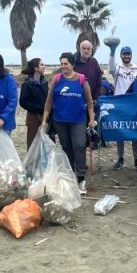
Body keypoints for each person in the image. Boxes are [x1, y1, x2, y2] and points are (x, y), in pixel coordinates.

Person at [42, 51, 96, 194]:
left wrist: (91, 119)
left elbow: (90, 102)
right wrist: (44, 120)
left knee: (79, 145)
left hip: (78, 120)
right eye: (61, 64)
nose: (63, 66)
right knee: (67, 148)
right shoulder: (57, 79)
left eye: (66, 63)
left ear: (72, 64)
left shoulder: (82, 80)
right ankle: (70, 175)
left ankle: (81, 179)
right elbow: (48, 102)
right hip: (60, 120)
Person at [108, 44, 137, 171]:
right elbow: (110, 68)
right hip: (119, 103)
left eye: (128, 54)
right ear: (121, 55)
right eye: (124, 54)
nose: (126, 56)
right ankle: (120, 158)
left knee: (135, 132)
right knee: (120, 133)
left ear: (131, 55)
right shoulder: (117, 68)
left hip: (134, 103)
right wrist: (112, 52)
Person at [19, 57, 48, 149]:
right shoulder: (27, 84)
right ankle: (32, 163)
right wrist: (38, 108)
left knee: (46, 142)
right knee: (33, 143)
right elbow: (23, 102)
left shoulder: (44, 82)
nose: (44, 66)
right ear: (36, 68)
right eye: (42, 65)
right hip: (33, 116)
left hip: (46, 116)